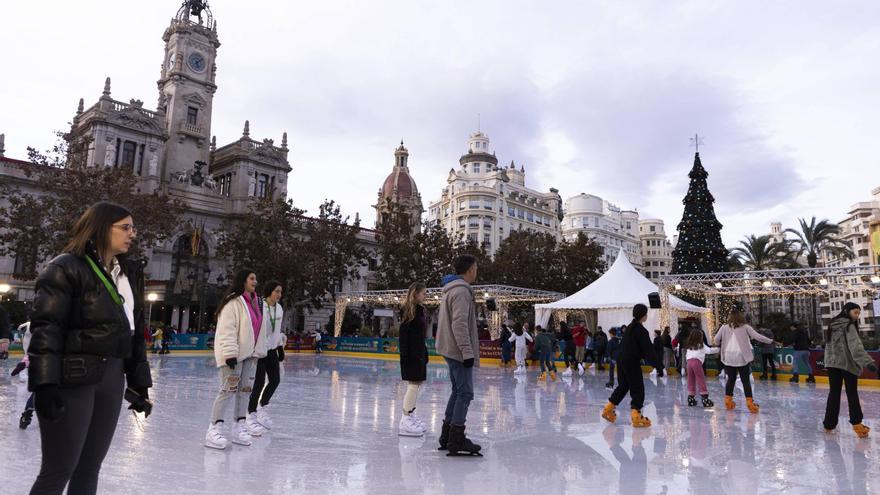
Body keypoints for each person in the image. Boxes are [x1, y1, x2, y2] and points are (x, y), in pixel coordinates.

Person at [27, 202, 152, 494]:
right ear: (100, 227)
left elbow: (132, 334)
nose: (132, 234)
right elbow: (47, 328)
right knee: (59, 469)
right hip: (74, 378)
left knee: (89, 469)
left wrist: (139, 384)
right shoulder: (65, 267)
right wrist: (44, 384)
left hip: (112, 377)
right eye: (125, 227)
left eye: (133, 228)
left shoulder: (128, 274)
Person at [205, 269, 269, 450]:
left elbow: (259, 330)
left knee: (244, 391)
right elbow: (227, 329)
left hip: (249, 355)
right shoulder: (233, 302)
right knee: (228, 390)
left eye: (256, 278)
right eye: (252, 278)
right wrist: (230, 353)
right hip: (233, 356)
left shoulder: (257, 303)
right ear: (243, 281)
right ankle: (214, 429)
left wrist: (258, 352)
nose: (255, 281)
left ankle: (239, 426)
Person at [435, 255, 482, 456]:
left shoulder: (451, 289)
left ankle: (447, 436)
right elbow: (459, 323)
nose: (476, 271)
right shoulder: (462, 291)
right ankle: (456, 438)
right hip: (458, 350)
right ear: (470, 269)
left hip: (449, 347)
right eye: (476, 268)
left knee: (457, 391)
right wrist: (467, 351)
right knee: (465, 393)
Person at [822, 302, 877, 438]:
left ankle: (829, 425)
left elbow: (828, 346)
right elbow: (855, 347)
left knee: (834, 394)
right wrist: (868, 362)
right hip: (847, 365)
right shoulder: (849, 326)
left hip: (832, 364)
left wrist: (829, 361)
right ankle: (857, 424)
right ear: (847, 311)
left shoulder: (832, 326)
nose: (857, 316)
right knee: (852, 394)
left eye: (858, 313)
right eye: (855, 312)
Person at [601, 304, 661, 427]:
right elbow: (648, 350)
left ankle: (608, 409)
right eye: (646, 314)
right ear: (644, 315)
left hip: (621, 359)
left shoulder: (629, 327)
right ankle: (636, 416)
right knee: (638, 388)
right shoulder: (641, 330)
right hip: (631, 361)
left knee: (624, 385)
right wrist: (658, 366)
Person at [713, 308, 774, 413]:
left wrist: (720, 344)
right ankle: (750, 403)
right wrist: (771, 341)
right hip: (741, 356)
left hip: (728, 356)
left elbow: (716, 340)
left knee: (731, 379)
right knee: (745, 380)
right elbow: (757, 337)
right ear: (741, 317)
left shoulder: (723, 327)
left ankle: (728, 401)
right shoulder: (745, 327)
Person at [247, 280, 285, 435]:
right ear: (270, 291)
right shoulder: (260, 306)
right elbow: (254, 328)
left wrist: (280, 347)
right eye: (277, 291)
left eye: (281, 292)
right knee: (259, 383)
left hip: (271, 350)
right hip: (259, 350)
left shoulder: (280, 308)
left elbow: (277, 331)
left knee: (275, 380)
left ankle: (262, 406)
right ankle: (251, 415)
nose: (279, 295)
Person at [397, 282, 429, 437]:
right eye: (423, 293)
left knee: (416, 385)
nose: (425, 295)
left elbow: (420, 336)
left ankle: (410, 415)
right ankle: (405, 419)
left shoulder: (420, 310)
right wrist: (405, 355)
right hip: (411, 355)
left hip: (419, 353)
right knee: (413, 385)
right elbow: (403, 335)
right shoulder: (408, 311)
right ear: (415, 294)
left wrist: (425, 352)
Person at [684, 328, 719, 407]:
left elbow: (687, 355)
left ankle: (691, 397)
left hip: (689, 363)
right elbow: (710, 351)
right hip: (696, 363)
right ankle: (705, 398)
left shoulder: (689, 346)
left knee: (691, 379)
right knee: (700, 379)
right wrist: (718, 349)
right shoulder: (701, 345)